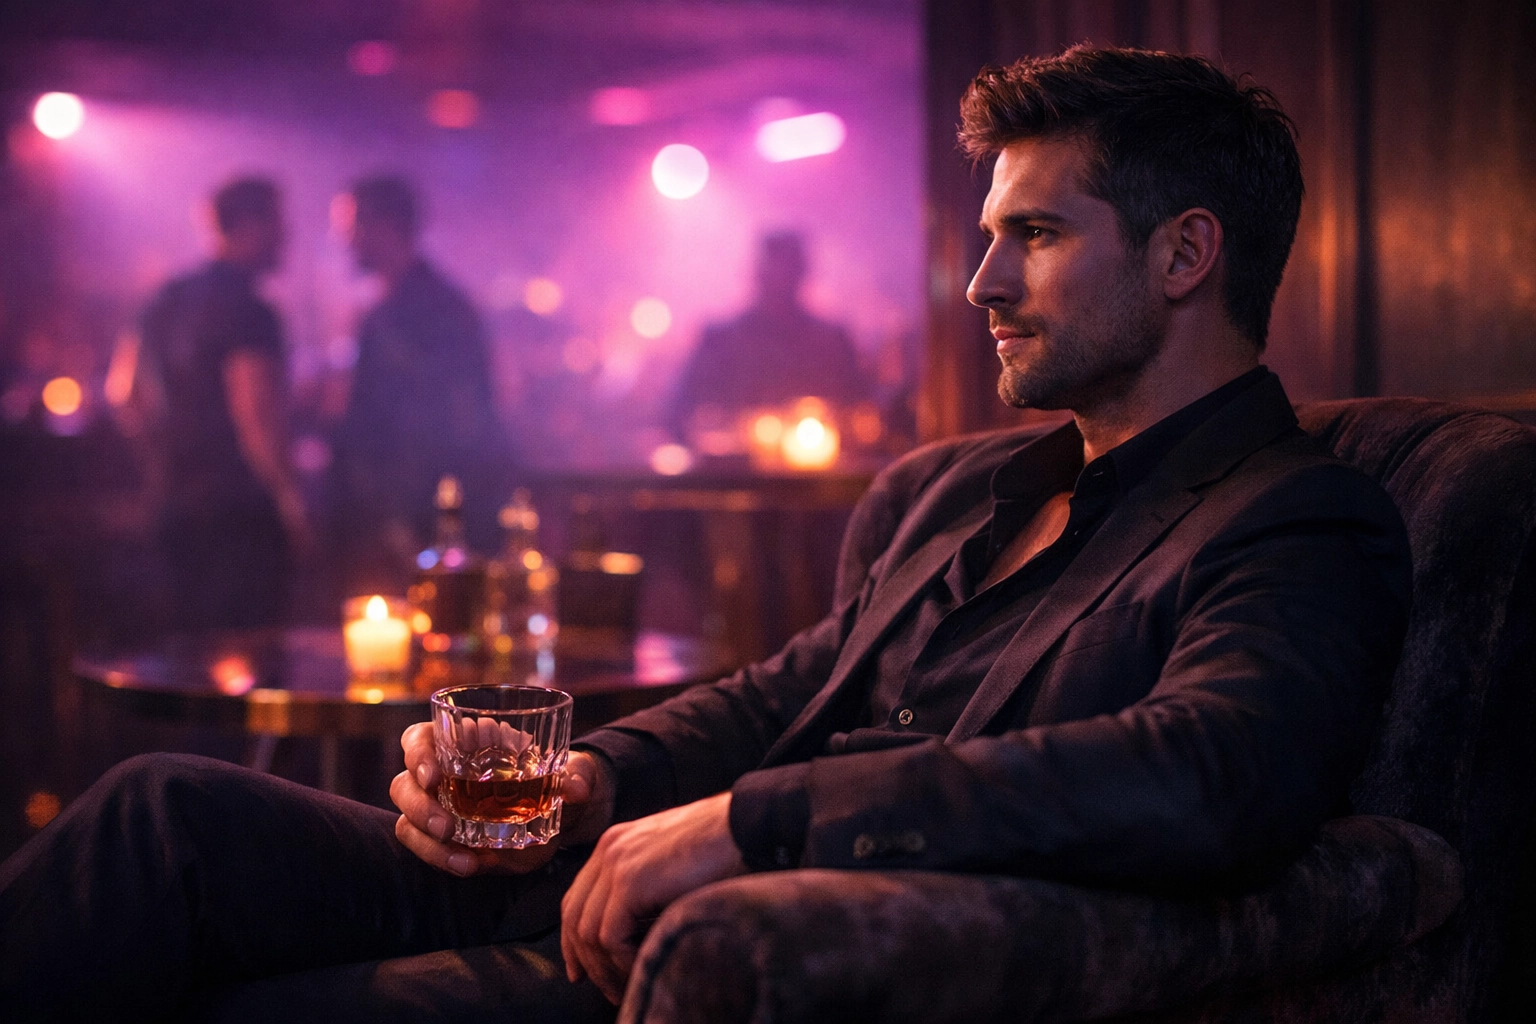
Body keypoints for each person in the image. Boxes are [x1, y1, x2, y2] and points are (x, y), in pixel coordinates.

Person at [0, 47, 1412, 1021]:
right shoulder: (961, 491)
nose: (979, 280)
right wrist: (587, 785)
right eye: (987, 234)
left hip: (770, 941)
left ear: (1185, 255)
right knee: (156, 814)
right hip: (613, 879)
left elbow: (1218, 775)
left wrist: (746, 829)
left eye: (1034, 235)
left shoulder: (1294, 513)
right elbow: (778, 694)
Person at [134, 176, 308, 632]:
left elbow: (127, 396)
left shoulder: (163, 300)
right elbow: (257, 420)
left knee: (186, 655)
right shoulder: (250, 311)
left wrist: (167, 465)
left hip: (174, 506)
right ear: (250, 225)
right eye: (278, 224)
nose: (287, 237)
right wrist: (292, 503)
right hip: (240, 516)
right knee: (247, 658)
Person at [329, 174, 506, 590]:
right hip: (406, 509)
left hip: (426, 511)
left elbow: (452, 420)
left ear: (387, 226)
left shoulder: (431, 314)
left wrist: (402, 515)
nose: (345, 241)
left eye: (352, 227)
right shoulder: (390, 311)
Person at [667, 231, 865, 441]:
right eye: (773, 268)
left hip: (820, 472)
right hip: (732, 472)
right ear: (757, 274)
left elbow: (860, 414)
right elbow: (678, 414)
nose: (780, 278)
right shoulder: (718, 341)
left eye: (787, 269)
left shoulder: (832, 341)